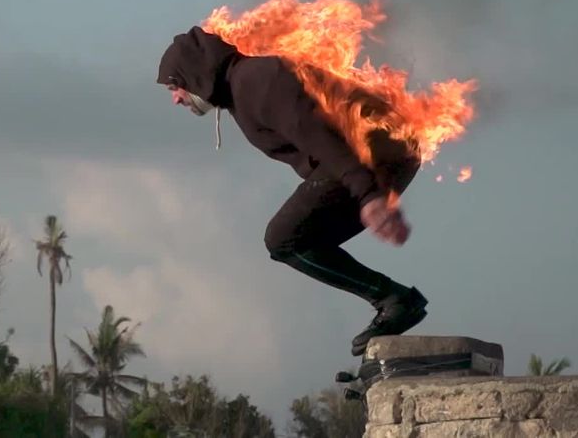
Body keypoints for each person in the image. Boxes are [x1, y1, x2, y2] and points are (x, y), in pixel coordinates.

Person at [157, 25, 427, 356]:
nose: (175, 99)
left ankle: (393, 299)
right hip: (382, 155)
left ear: (194, 75)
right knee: (302, 241)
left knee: (283, 237)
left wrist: (368, 196)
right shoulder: (241, 92)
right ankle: (394, 300)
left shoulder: (257, 81)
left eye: (175, 87)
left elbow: (322, 137)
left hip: (375, 151)